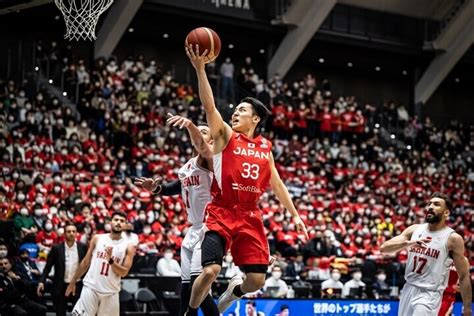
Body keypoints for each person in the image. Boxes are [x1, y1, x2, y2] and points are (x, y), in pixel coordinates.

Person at [184, 44, 308, 315]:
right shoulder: (226, 135)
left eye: (241, 110)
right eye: (236, 109)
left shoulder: (266, 147)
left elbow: (276, 184)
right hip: (221, 210)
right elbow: (210, 106)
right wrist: (200, 70)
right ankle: (190, 312)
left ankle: (233, 291)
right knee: (210, 271)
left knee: (256, 281)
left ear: (255, 118)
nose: (235, 113)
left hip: (250, 216)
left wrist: (295, 215)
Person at [135, 114, 218, 316]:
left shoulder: (211, 158)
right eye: (198, 130)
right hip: (193, 228)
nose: (200, 133)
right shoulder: (187, 166)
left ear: (212, 140)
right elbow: (175, 187)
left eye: (204, 131)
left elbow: (201, 145)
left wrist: (189, 125)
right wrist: (155, 189)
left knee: (200, 286)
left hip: (209, 227)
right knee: (186, 287)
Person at [380, 192, 472, 316]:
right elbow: (384, 248)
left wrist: (467, 308)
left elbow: (464, 276)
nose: (430, 206)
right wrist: (409, 243)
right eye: (429, 204)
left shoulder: (453, 238)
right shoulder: (414, 229)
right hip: (408, 288)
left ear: (446, 212)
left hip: (429, 294)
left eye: (436, 204)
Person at [65, 211, 135, 316]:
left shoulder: (128, 246)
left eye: (122, 221)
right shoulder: (98, 238)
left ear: (125, 225)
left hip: (111, 292)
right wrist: (73, 281)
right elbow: (85, 262)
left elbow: (124, 273)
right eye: (116, 220)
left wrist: (110, 260)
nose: (118, 223)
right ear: (110, 222)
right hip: (91, 287)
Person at [37, 223, 87, 316]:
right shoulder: (56, 248)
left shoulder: (82, 247)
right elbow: (48, 267)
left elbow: (86, 266)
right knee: (60, 312)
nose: (71, 233)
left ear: (76, 234)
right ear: (64, 234)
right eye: (69, 231)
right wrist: (41, 281)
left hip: (77, 285)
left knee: (79, 313)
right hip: (61, 285)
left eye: (73, 231)